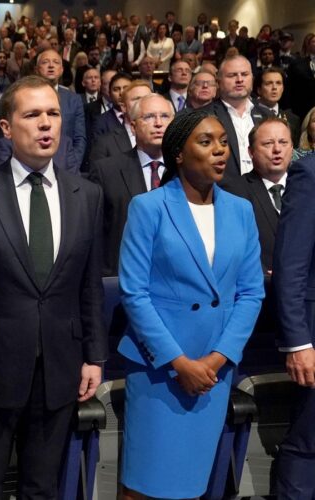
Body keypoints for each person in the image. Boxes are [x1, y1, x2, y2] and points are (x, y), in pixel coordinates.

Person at [0, 74, 106, 499]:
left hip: (60, 366)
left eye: (52, 113)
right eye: (32, 115)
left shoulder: (87, 195)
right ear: (7, 128)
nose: (46, 123)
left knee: (43, 488)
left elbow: (90, 287)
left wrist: (93, 356)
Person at [118, 110, 264, 499]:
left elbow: (250, 293)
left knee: (192, 485)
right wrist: (178, 362)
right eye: (206, 142)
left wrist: (217, 359)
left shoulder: (241, 210)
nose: (219, 150)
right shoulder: (147, 207)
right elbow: (134, 293)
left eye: (223, 141)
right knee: (144, 485)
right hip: (160, 372)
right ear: (178, 154)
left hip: (213, 373)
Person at [90, 93, 174, 276]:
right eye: (150, 117)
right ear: (134, 127)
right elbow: (94, 235)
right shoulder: (106, 171)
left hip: (177, 280)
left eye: (165, 116)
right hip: (123, 277)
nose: (159, 123)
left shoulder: (187, 171)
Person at [274, 134, 315, 498]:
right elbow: (290, 265)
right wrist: (298, 342)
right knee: (308, 441)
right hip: (314, 336)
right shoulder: (309, 173)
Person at [226, 118, 293, 272]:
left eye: (283, 142)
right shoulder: (234, 192)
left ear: (292, 148)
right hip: (261, 286)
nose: (277, 149)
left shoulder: (306, 188)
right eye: (268, 143)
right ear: (251, 152)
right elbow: (234, 248)